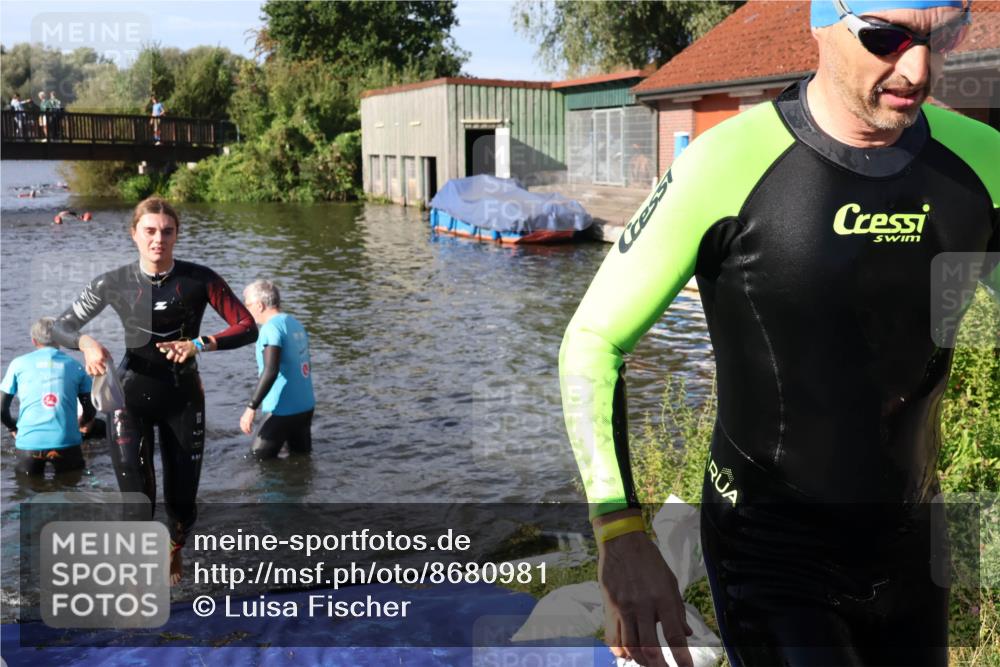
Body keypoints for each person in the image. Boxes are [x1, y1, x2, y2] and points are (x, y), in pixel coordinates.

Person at [558, 1, 998, 666]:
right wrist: (620, 535)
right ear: (821, 20)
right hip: (768, 543)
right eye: (886, 38)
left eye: (945, 37)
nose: (918, 68)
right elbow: (593, 343)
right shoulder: (727, 164)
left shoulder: (981, 162)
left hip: (910, 538)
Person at [52, 196, 257, 585]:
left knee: (181, 506)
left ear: (176, 235)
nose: (158, 239)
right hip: (130, 398)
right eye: (149, 231)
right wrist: (86, 344)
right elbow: (59, 326)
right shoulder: (113, 282)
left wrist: (201, 343)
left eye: (167, 231)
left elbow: (247, 326)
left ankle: (173, 551)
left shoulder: (200, 280)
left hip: (183, 397)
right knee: (137, 504)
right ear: (134, 234)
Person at [1, 317, 96, 480]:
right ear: (60, 340)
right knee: (71, 493)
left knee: (26, 494)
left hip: (29, 444)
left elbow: (1, 408)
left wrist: (12, 428)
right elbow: (90, 408)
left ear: (33, 340)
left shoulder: (18, 364)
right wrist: (82, 422)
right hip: (67, 442)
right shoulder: (76, 366)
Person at [239, 279, 315, 460]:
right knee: (301, 461)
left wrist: (251, 408)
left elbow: (270, 370)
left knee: (256, 462)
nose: (246, 310)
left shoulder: (270, 329)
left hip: (282, 409)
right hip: (305, 407)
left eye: (247, 305)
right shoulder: (295, 323)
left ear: (259, 305)